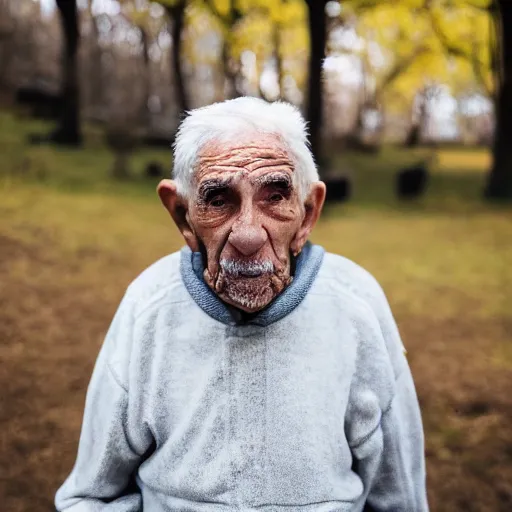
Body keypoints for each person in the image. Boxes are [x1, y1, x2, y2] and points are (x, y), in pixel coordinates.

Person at [55, 97, 429, 512]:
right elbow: (88, 497)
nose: (248, 235)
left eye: (275, 196)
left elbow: (400, 500)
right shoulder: (150, 306)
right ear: (182, 215)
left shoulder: (355, 305)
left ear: (307, 215)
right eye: (218, 200)